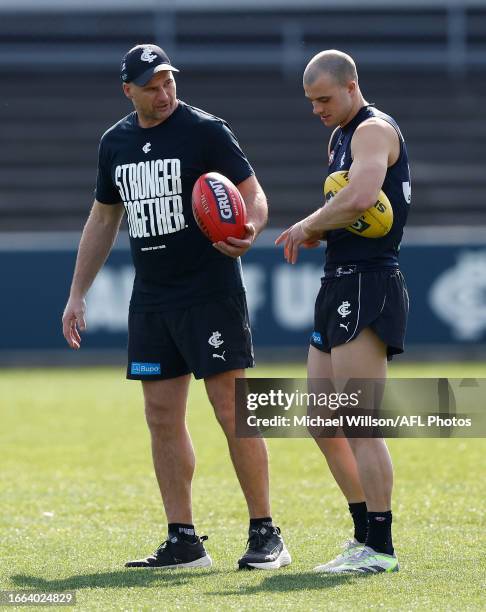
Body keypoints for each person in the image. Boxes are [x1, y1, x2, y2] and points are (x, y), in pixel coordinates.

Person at [62, 43, 290, 571]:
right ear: (128, 91)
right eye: (151, 85)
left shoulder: (206, 130)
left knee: (233, 410)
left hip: (210, 289)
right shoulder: (114, 143)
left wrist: (250, 227)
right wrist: (77, 293)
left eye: (168, 82)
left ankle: (266, 532)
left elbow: (252, 193)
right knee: (161, 416)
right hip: (152, 298)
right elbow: (102, 219)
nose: (163, 93)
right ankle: (184, 540)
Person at [276, 49, 411, 574]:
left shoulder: (372, 130)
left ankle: (381, 546)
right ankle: (362, 534)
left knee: (360, 421)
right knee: (320, 420)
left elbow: (361, 195)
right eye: (311, 102)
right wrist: (324, 231)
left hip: (371, 280)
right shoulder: (337, 137)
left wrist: (309, 224)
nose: (317, 109)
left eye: (324, 99)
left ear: (352, 86)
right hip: (338, 280)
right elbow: (350, 211)